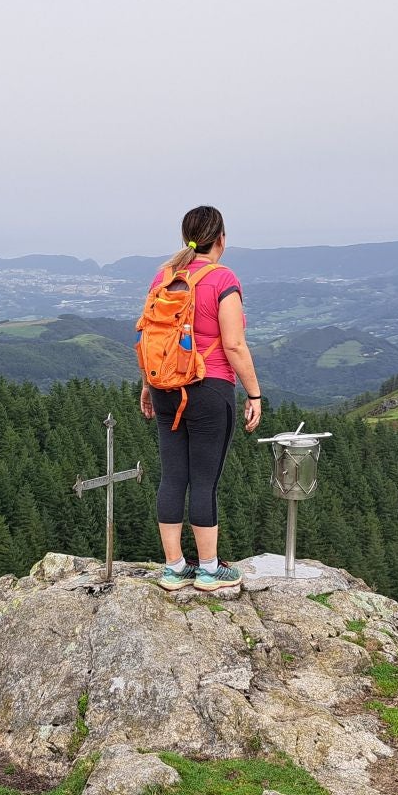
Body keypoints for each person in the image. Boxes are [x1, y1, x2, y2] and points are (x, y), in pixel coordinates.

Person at [138, 205, 262, 592]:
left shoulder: (165, 276)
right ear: (221, 239)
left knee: (173, 476)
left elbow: (150, 337)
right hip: (209, 390)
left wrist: (147, 383)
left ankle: (174, 568)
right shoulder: (223, 279)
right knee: (204, 481)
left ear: (185, 237)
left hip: (165, 389)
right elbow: (235, 345)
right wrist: (254, 394)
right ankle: (209, 569)